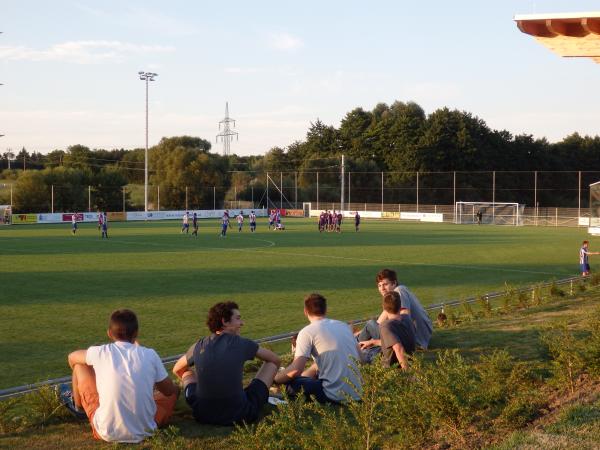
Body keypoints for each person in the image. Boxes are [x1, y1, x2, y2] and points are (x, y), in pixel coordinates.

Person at [60, 309, 179, 443]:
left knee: (79, 366)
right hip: (146, 430)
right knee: (172, 393)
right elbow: (168, 391)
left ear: (109, 333)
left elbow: (72, 358)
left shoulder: (101, 352)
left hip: (107, 431)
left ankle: (79, 408)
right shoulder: (149, 354)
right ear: (136, 334)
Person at [172, 302, 280, 425]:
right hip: (240, 414)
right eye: (238, 319)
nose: (242, 323)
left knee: (186, 371)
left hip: (202, 414)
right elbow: (275, 360)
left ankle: (208, 399)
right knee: (271, 365)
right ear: (224, 322)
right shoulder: (242, 343)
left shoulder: (198, 345)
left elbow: (177, 369)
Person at [274, 293, 363, 403]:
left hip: (334, 395)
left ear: (305, 311)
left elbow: (295, 370)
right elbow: (361, 358)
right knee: (314, 370)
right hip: (358, 392)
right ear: (325, 310)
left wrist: (275, 379)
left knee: (292, 384)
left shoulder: (307, 332)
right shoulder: (343, 326)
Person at [358, 269, 432, 356]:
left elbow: (405, 317)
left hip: (415, 340)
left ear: (394, 283)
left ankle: (352, 345)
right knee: (372, 326)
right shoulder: (395, 296)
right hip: (420, 338)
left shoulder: (399, 291)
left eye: (385, 284)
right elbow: (380, 321)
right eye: (379, 285)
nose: (382, 288)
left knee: (371, 324)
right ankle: (356, 342)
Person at [378, 291, 416, 370]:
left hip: (393, 366)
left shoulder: (386, 326)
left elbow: (399, 348)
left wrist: (408, 373)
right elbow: (399, 340)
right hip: (411, 359)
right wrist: (372, 342)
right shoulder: (407, 318)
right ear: (400, 306)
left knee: (365, 353)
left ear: (383, 307)